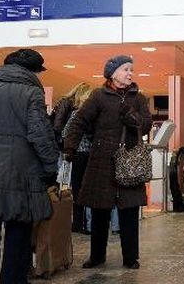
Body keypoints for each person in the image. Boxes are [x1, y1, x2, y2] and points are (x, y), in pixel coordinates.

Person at [0, 48, 59, 284]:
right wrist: (50, 169)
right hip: (20, 177)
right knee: (18, 239)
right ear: (33, 71)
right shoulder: (31, 94)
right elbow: (41, 135)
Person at [64, 55, 151, 269]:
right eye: (125, 69)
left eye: (131, 69)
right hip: (101, 161)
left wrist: (129, 115)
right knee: (100, 210)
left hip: (129, 160)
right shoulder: (98, 96)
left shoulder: (139, 98)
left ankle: (131, 258)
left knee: (129, 212)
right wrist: (70, 146)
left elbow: (146, 126)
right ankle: (97, 256)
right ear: (112, 73)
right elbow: (79, 121)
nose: (130, 73)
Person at [60, 82, 93, 234]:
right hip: (87, 155)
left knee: (78, 189)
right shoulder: (89, 115)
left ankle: (78, 223)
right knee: (86, 190)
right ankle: (86, 223)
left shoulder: (75, 114)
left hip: (78, 155)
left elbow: (65, 132)